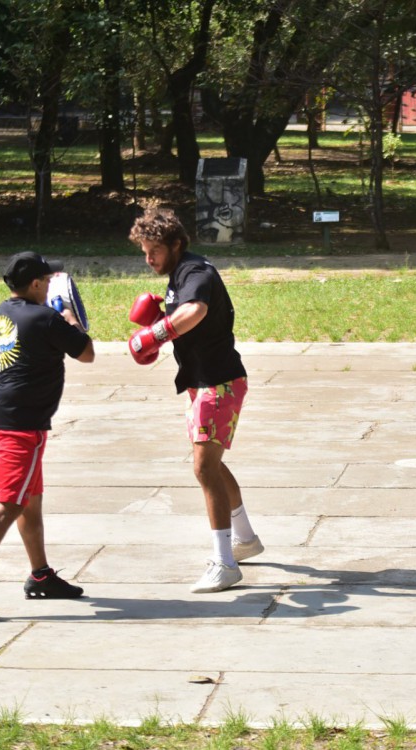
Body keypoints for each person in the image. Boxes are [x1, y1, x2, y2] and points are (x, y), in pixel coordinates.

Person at [0, 251, 95, 618]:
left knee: (31, 499)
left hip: (1, 415)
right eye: (47, 279)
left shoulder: (2, 312)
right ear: (37, 284)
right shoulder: (46, 318)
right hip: (21, 425)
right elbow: (86, 353)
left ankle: (41, 576)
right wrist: (71, 320)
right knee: (11, 503)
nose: (51, 284)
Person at [127, 207, 261, 593]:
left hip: (217, 384)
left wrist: (155, 334)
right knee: (212, 466)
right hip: (204, 382)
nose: (148, 258)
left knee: (204, 468)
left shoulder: (194, 271)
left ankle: (225, 562)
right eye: (144, 251)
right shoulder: (177, 275)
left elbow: (196, 309)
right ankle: (246, 538)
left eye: (154, 250)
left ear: (176, 245)